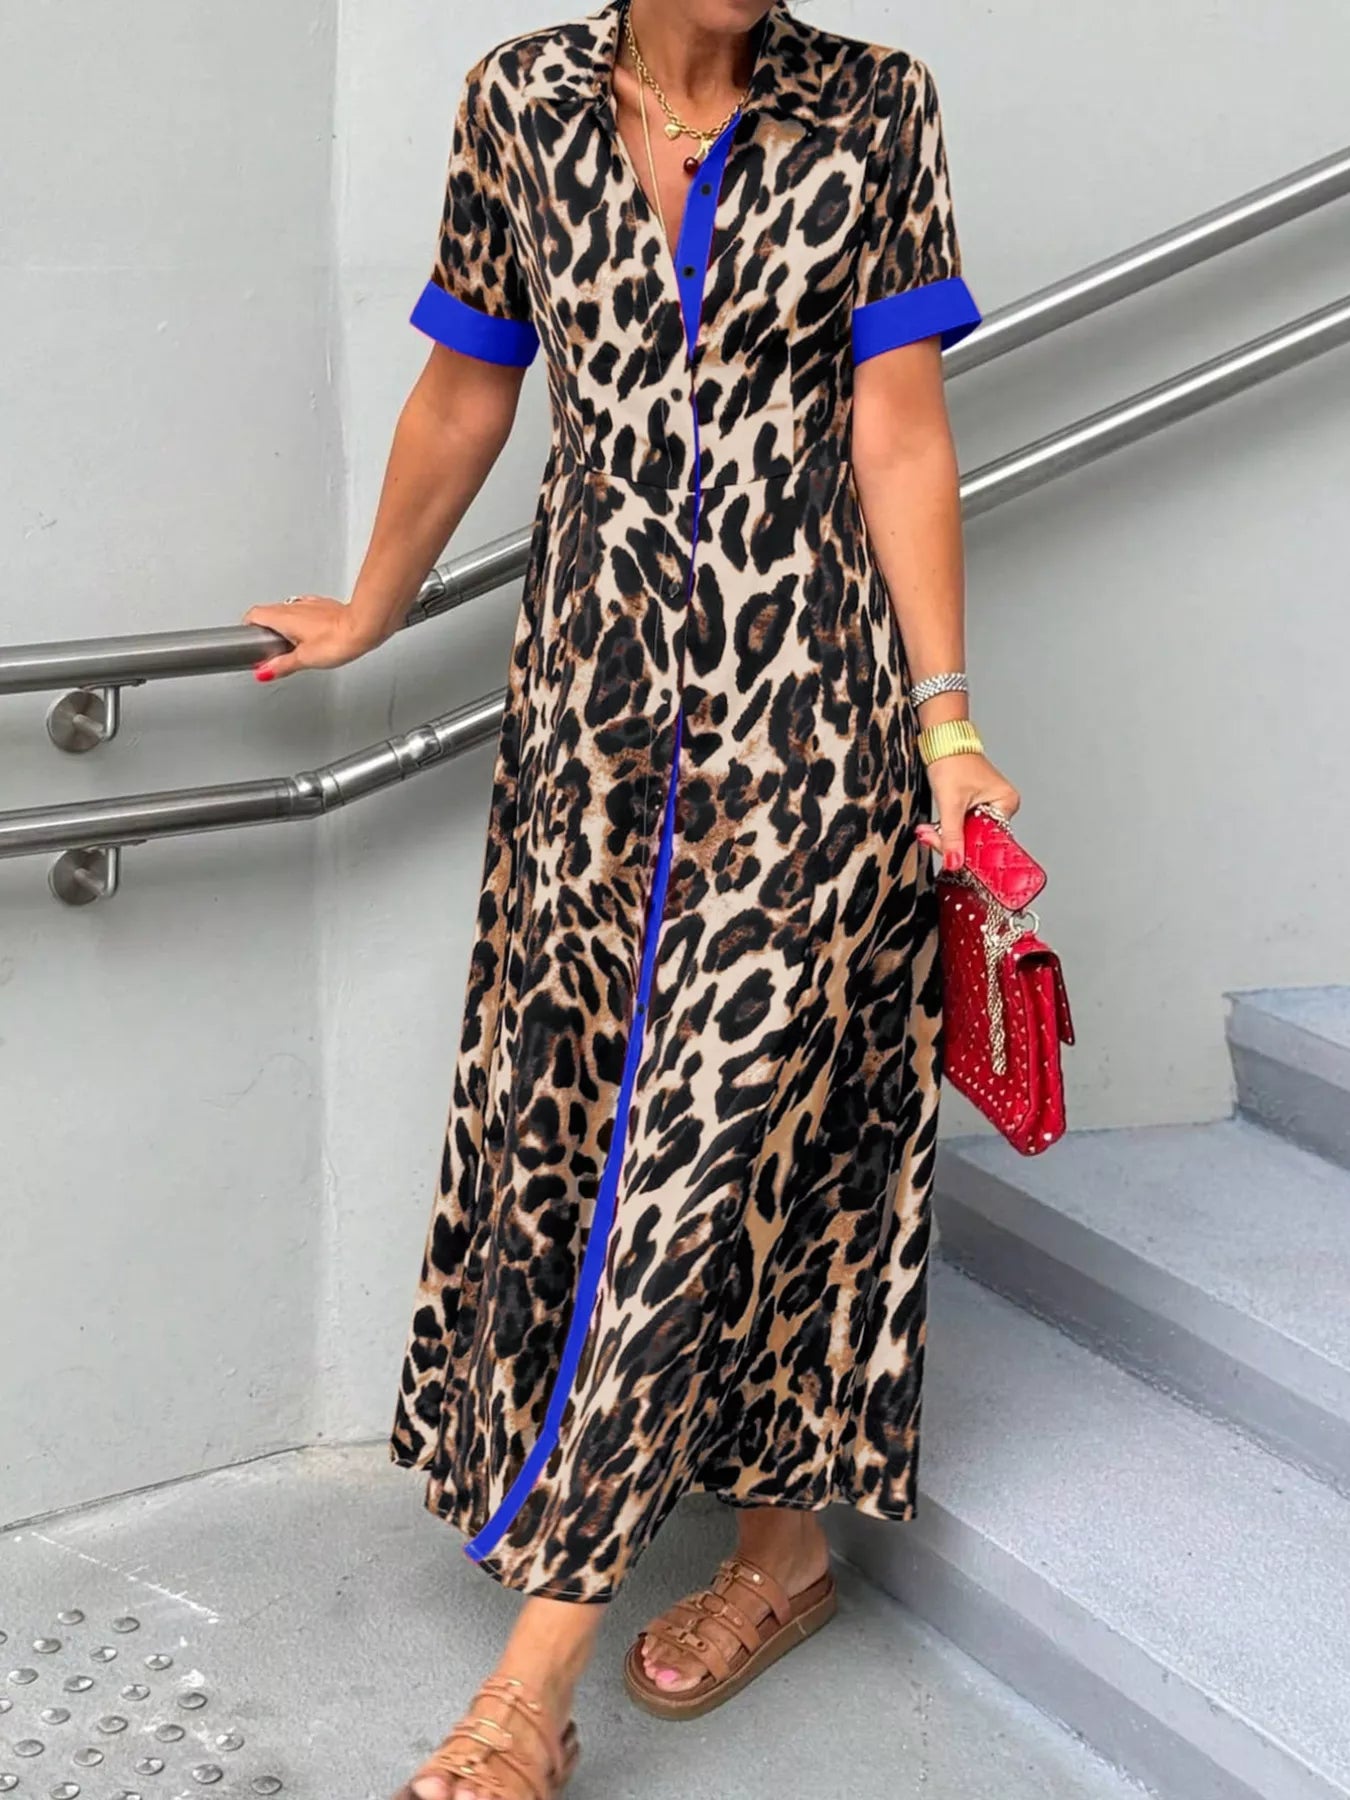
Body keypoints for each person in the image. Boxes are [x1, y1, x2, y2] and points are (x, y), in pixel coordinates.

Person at [243, 1, 1019, 1794]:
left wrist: (946, 723)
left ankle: (530, 1688)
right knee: (611, 1126)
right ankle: (783, 1549)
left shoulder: (873, 106)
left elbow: (898, 430)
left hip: (814, 719)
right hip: (589, 723)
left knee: (710, 1144)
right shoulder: (516, 102)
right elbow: (469, 384)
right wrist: (370, 606)